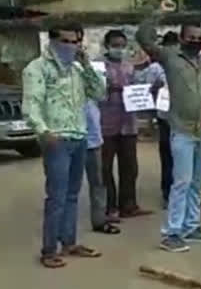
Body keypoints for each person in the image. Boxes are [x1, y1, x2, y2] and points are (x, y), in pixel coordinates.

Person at [136, 10, 201, 252]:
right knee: (181, 181)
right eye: (191, 37)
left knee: (198, 181)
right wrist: (158, 14)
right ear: (182, 38)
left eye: (199, 37)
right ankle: (171, 232)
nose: (196, 40)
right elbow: (143, 38)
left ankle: (191, 227)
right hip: (182, 131)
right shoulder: (169, 58)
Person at [22, 21, 107, 268]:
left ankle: (69, 242)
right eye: (66, 41)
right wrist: (44, 131)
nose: (71, 46)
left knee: (72, 195)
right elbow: (32, 104)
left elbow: (100, 93)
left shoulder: (77, 70)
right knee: (57, 196)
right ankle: (49, 250)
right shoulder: (37, 69)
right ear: (53, 41)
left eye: (75, 41)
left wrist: (87, 63)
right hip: (56, 139)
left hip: (79, 136)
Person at [100, 29, 152, 219]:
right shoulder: (98, 67)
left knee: (130, 167)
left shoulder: (130, 67)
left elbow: (139, 89)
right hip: (105, 124)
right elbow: (93, 92)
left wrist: (150, 90)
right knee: (104, 168)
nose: (119, 50)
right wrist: (110, 89)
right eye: (115, 46)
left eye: (122, 46)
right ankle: (109, 207)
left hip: (128, 124)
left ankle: (128, 205)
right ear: (106, 46)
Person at [135, 32, 172, 206]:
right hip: (165, 117)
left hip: (186, 117)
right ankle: (167, 193)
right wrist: (155, 88)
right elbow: (143, 89)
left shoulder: (188, 64)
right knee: (168, 157)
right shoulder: (156, 68)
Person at [84, 100, 120, 235]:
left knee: (98, 183)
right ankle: (64, 230)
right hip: (71, 137)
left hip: (94, 140)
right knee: (68, 188)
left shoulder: (93, 86)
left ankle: (99, 221)